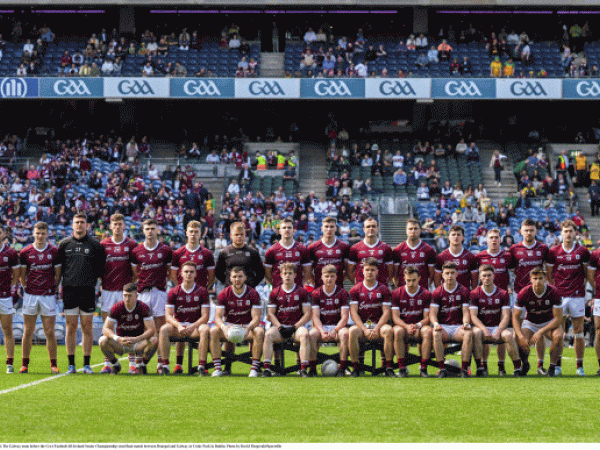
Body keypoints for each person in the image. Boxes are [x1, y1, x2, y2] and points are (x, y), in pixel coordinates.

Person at [58, 213, 106, 374]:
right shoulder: (64, 244)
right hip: (70, 290)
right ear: (72, 225)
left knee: (87, 327)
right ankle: (71, 365)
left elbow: (100, 269)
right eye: (76, 222)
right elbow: (60, 269)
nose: (79, 225)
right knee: (70, 327)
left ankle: (86, 364)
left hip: (87, 290)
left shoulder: (95, 245)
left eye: (82, 222)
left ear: (87, 225)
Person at [547, 220, 591, 376]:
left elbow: (586, 273)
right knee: (558, 332)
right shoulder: (553, 252)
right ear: (561, 233)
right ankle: (557, 365)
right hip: (559, 297)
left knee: (578, 331)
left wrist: (582, 289)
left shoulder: (583, 251)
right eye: (565, 231)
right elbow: (550, 275)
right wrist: (555, 293)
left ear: (575, 233)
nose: (568, 234)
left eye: (571, 231)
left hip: (577, 295)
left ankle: (580, 366)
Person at [131, 219, 173, 374]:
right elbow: (136, 273)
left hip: (159, 292)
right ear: (143, 230)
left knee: (161, 328)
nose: (150, 231)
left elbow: (169, 273)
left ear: (157, 230)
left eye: (152, 228)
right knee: (142, 329)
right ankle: (140, 363)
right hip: (143, 293)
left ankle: (161, 363)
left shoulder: (166, 250)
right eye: (147, 228)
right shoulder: (136, 251)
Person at [19, 222, 61, 374]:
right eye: (37, 233)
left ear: (47, 234)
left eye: (43, 233)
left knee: (49, 331)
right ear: (33, 234)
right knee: (28, 331)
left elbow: (58, 275)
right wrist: (26, 288)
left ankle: (53, 365)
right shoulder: (25, 252)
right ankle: (24, 364)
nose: (40, 236)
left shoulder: (54, 251)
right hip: (30, 295)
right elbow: (22, 276)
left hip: (48, 296)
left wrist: (53, 289)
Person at [98, 213, 137, 374]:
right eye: (115, 224)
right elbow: (99, 269)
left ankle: (132, 363)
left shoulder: (132, 244)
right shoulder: (103, 245)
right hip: (108, 291)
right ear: (111, 226)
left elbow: (135, 271)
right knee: (108, 327)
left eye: (120, 224)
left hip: (125, 292)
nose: (118, 227)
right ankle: (108, 362)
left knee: (129, 326)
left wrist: (129, 287)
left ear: (124, 226)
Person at [211, 266, 264, 377]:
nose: (237, 279)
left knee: (259, 331)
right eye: (234, 276)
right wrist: (224, 327)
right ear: (230, 278)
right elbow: (217, 317)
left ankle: (254, 369)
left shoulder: (253, 293)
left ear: (245, 277)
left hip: (247, 327)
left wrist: (248, 328)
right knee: (214, 331)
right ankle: (218, 368)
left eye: (240, 276)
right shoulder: (224, 294)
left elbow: (256, 318)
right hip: (230, 326)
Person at [470, 265, 522, 377]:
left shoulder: (503, 293)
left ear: (494, 276)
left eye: (489, 275)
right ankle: (480, 367)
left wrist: (498, 330)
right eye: (484, 276)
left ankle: (517, 368)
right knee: (476, 333)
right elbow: (473, 316)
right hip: (481, 327)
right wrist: (484, 329)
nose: (487, 278)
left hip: (497, 326)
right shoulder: (474, 294)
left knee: (508, 335)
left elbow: (506, 316)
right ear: (480, 277)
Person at [159, 262, 210, 375]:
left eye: (192, 272)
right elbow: (168, 315)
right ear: (181, 273)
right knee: (163, 329)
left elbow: (205, 316)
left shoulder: (202, 291)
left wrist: (193, 326)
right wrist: (179, 325)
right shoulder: (173, 292)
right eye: (186, 271)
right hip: (178, 327)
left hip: (195, 327)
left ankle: (201, 366)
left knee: (205, 329)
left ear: (196, 274)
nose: (189, 274)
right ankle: (165, 366)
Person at [263, 263, 312, 377]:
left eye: (290, 273)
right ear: (280, 275)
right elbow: (270, 314)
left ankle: (303, 369)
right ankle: (267, 369)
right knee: (268, 335)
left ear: (295, 274)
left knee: (304, 335)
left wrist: (294, 327)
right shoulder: (275, 292)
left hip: (296, 328)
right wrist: (280, 327)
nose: (287, 276)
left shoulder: (302, 291)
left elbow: (307, 314)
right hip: (280, 327)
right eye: (285, 273)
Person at [513, 267, 563, 377]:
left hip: (549, 322)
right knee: (518, 338)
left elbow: (558, 318)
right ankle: (525, 364)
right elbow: (515, 317)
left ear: (545, 279)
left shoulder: (554, 292)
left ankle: (552, 367)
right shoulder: (524, 293)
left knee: (559, 335)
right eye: (535, 278)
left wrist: (541, 331)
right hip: (531, 322)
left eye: (540, 278)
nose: (538, 281)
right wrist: (520, 335)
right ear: (530, 279)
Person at [348, 258, 394, 377]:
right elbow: (353, 313)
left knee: (388, 330)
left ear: (377, 271)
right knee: (352, 331)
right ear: (362, 271)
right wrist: (364, 329)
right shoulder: (355, 289)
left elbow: (386, 312)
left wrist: (377, 328)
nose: (369, 272)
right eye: (367, 269)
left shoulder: (384, 289)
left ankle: (388, 367)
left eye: (372, 270)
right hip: (362, 325)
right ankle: (355, 368)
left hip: (379, 325)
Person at [98, 283, 157, 375]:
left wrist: (137, 339)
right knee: (102, 340)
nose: (127, 298)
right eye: (125, 295)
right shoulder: (116, 308)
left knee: (154, 340)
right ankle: (116, 365)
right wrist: (118, 338)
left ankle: (141, 366)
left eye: (130, 296)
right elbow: (105, 329)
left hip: (137, 343)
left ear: (136, 296)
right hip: (121, 343)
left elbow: (151, 329)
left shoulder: (143, 307)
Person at [430, 261, 473, 378]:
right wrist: (436, 324)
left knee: (468, 333)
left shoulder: (464, 290)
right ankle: (441, 368)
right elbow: (433, 313)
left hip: (458, 327)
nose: (449, 276)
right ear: (442, 275)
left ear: (457, 274)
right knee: (436, 333)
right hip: (443, 326)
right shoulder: (437, 292)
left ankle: (464, 369)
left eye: (452, 273)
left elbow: (465, 311)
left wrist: (466, 323)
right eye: (447, 273)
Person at [308, 264, 350, 377]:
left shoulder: (343, 293)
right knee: (311, 334)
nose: (329, 279)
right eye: (326, 276)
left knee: (345, 334)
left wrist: (335, 330)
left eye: (332, 276)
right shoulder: (315, 293)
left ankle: (342, 368)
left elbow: (345, 317)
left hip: (337, 326)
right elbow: (315, 316)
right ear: (321, 277)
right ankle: (312, 369)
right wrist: (322, 331)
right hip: (321, 327)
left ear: (336, 277)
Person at [391, 266, 433, 378]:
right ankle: (402, 368)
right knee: (397, 331)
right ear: (404, 278)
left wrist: (417, 325)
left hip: (419, 326)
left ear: (419, 278)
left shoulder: (426, 294)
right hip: (403, 326)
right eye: (408, 280)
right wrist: (406, 326)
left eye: (414, 280)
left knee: (428, 331)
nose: (411, 283)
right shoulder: (396, 293)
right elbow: (395, 317)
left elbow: (428, 317)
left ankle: (423, 368)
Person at [264, 218, 312, 288]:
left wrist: (302, 287)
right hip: (279, 291)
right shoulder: (271, 250)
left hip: (297, 291)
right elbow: (267, 274)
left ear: (293, 230)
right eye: (284, 228)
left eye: (289, 227)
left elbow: (307, 272)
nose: (287, 230)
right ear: (280, 231)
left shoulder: (302, 249)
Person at [215, 222, 264, 288]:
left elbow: (261, 272)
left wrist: (251, 284)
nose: (239, 236)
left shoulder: (253, 252)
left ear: (245, 235)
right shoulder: (224, 252)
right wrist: (227, 283)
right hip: (231, 292)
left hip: (248, 292)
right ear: (231, 235)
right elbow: (218, 272)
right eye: (236, 234)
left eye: (241, 234)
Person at [393, 219, 436, 291]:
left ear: (420, 230)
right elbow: (394, 275)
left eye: (416, 228)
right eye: (410, 229)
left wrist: (424, 286)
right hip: (403, 292)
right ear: (406, 231)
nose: (413, 231)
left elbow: (432, 275)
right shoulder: (398, 250)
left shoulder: (429, 250)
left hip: (422, 292)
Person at [348, 217, 394, 286]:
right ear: (363, 229)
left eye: (373, 226)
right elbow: (350, 272)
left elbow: (390, 272)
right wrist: (358, 285)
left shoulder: (386, 248)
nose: (371, 228)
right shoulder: (355, 248)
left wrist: (383, 283)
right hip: (361, 289)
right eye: (368, 226)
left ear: (377, 228)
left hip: (381, 289)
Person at [307, 217, 350, 289]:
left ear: (336, 228)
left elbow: (348, 270)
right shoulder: (312, 247)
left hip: (338, 290)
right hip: (319, 290)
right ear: (322, 228)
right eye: (326, 226)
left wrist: (339, 280)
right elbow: (308, 271)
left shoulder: (344, 246)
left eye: (332, 227)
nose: (329, 229)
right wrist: (314, 282)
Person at [170, 220, 215, 288]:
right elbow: (173, 276)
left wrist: (203, 290)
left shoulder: (207, 253)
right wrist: (180, 289)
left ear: (200, 234)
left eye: (196, 232)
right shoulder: (177, 253)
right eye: (191, 231)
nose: (193, 234)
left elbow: (211, 277)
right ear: (186, 233)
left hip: (200, 294)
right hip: (182, 294)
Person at [0, 226, 20, 373]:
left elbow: (17, 273)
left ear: (4, 234)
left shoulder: (11, 253)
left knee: (7, 329)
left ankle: (9, 363)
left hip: (5, 297)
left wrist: (11, 288)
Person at [434, 225, 478, 289]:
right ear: (448, 237)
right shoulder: (441, 257)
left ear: (463, 237)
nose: (456, 237)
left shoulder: (470, 256)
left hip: (465, 296)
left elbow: (475, 281)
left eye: (458, 234)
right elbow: (437, 280)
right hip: (446, 296)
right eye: (453, 234)